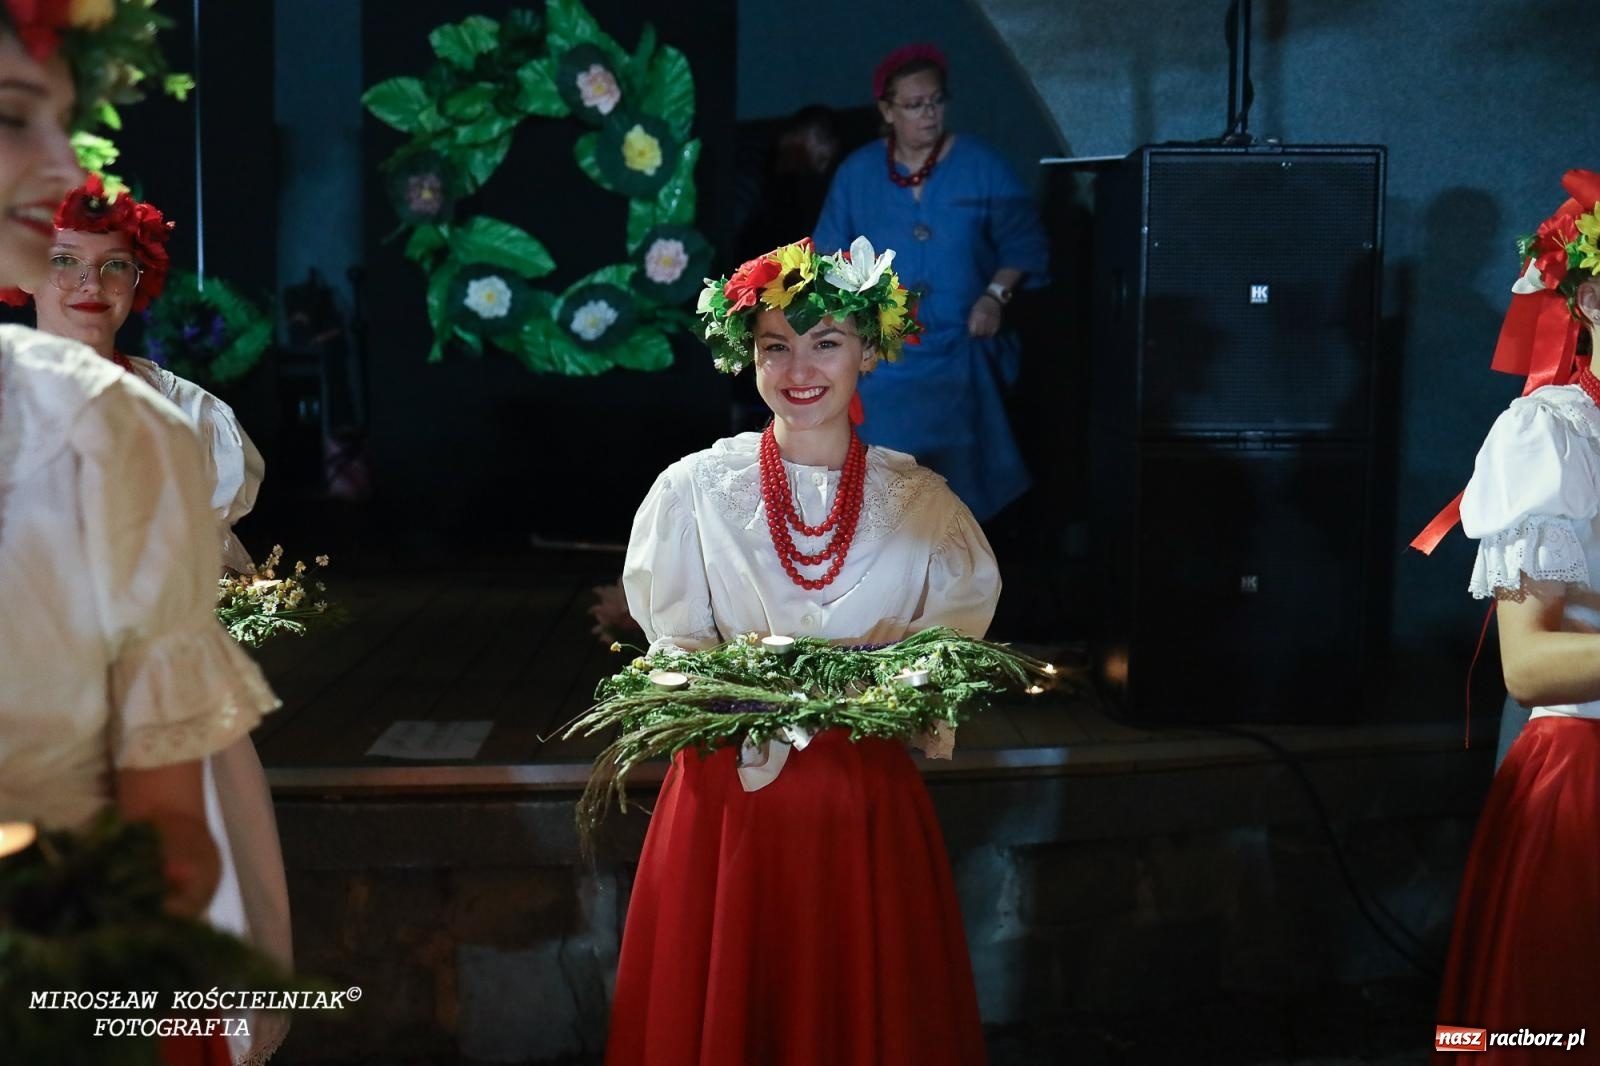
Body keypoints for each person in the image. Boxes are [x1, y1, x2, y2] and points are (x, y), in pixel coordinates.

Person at [607, 237, 1000, 1065]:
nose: (800, 368)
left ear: (868, 349)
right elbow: (675, 648)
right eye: (774, 346)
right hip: (729, 814)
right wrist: (722, 687)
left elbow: (945, 659)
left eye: (825, 341)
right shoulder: (692, 493)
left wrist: (887, 687)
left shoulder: (926, 507)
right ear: (746, 357)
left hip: (863, 809)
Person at [0, 6, 279, 1065]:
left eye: (112, 267)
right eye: (67, 259)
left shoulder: (181, 422)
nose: (86, 285)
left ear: (137, 283)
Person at [1435, 168, 1600, 1061]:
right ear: (1592, 296)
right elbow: (1528, 668)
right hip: (1584, 777)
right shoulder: (1553, 436)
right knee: (1554, 1030)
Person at [813, 42, 1049, 522]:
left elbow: (1024, 243)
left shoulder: (981, 165)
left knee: (960, 497)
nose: (930, 114)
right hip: (887, 358)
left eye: (937, 101)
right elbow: (826, 259)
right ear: (887, 111)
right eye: (915, 104)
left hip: (960, 349)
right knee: (883, 495)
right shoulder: (858, 172)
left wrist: (995, 295)